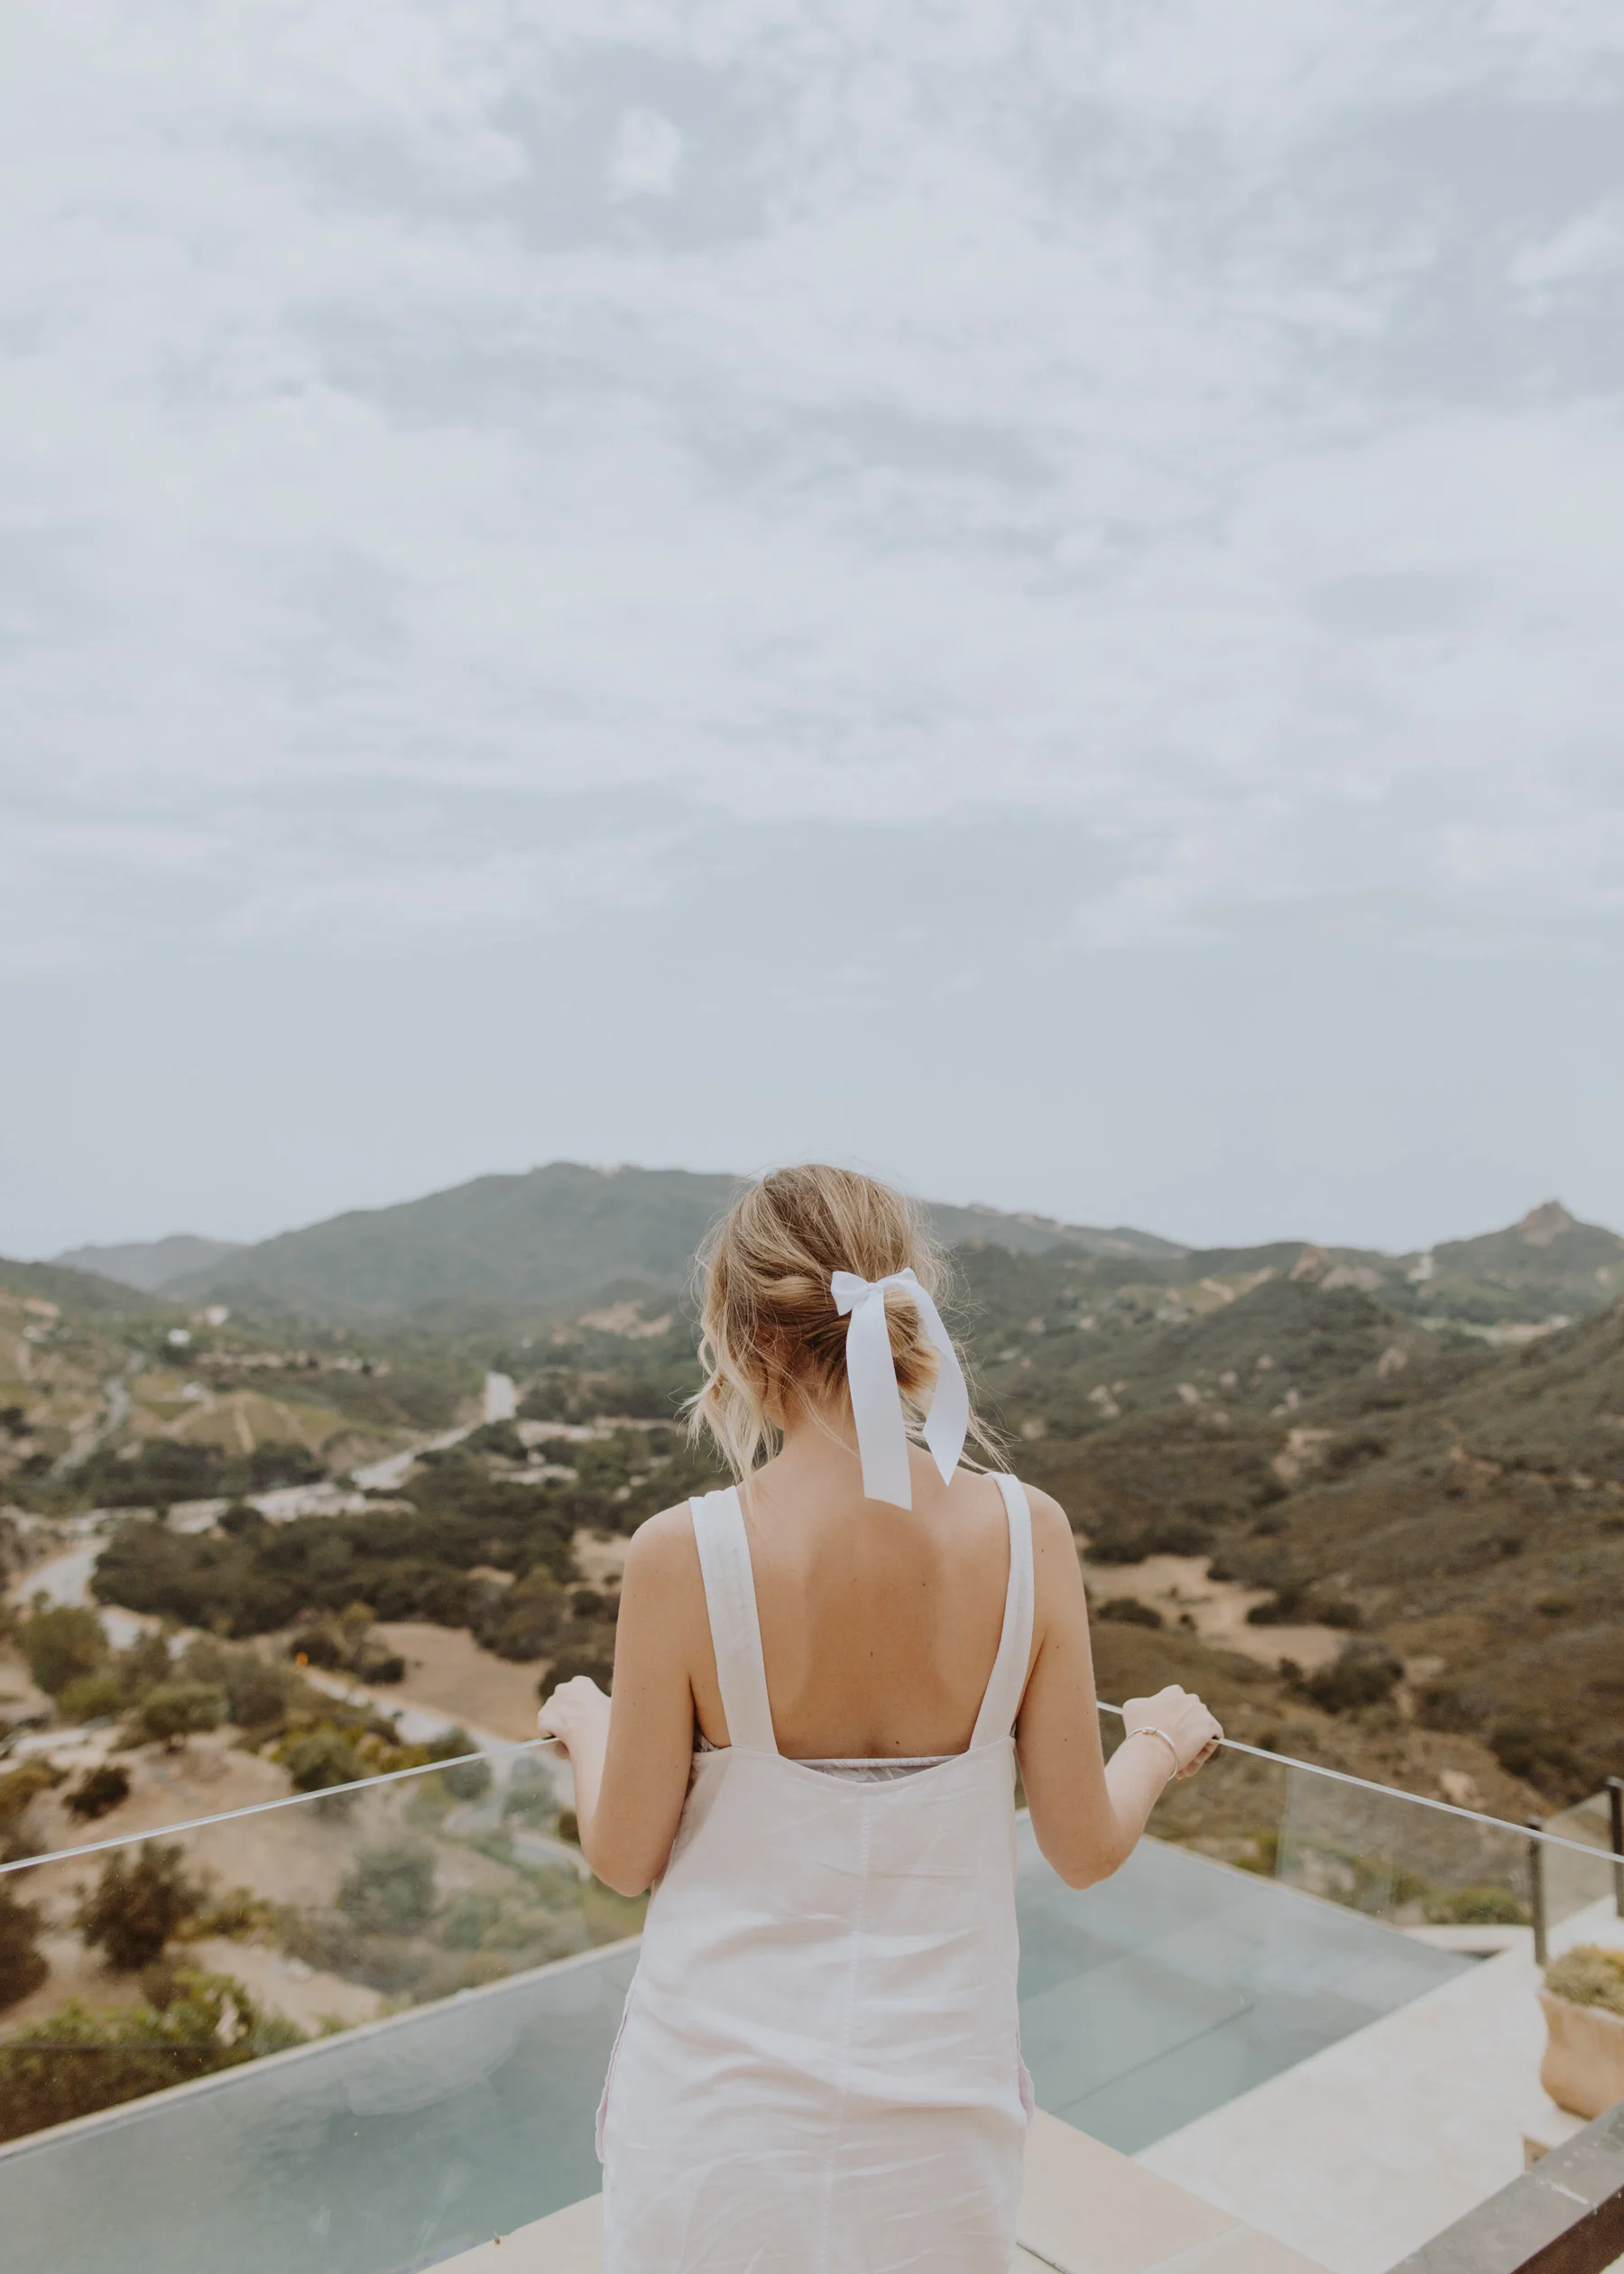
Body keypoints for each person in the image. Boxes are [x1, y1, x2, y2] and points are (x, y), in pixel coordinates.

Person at [538, 1165, 1222, 2274]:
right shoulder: (1028, 1531)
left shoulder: (684, 1552)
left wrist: (588, 1725)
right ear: (906, 1314)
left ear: (750, 1339)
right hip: (939, 2125)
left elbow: (623, 1858)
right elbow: (1084, 1846)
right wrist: (1154, 1742)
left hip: (712, 2123)